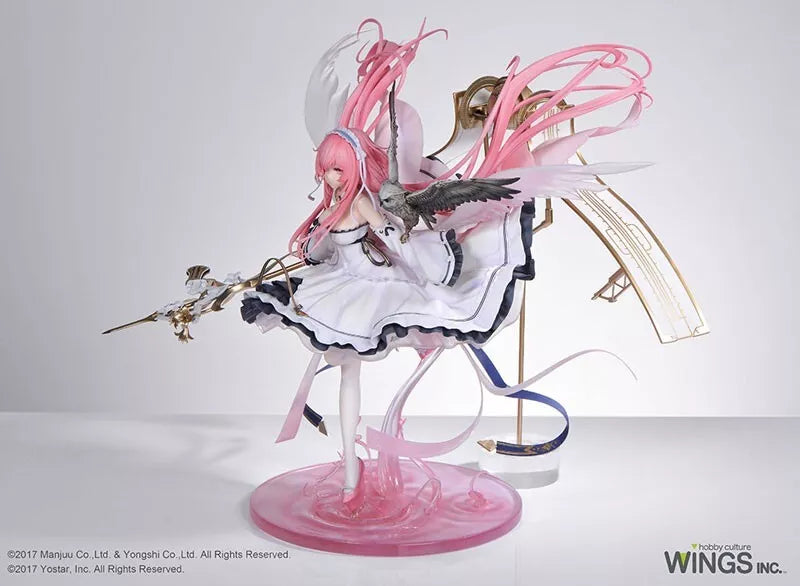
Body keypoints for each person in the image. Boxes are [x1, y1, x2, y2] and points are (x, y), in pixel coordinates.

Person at [239, 19, 651, 504]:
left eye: (337, 170)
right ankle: (350, 472)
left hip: (372, 283)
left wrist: (413, 251)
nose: (330, 178)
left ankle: (355, 475)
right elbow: (323, 247)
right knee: (343, 365)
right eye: (326, 169)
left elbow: (391, 235)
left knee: (349, 359)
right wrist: (310, 250)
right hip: (342, 281)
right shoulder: (334, 203)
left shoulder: (363, 202)